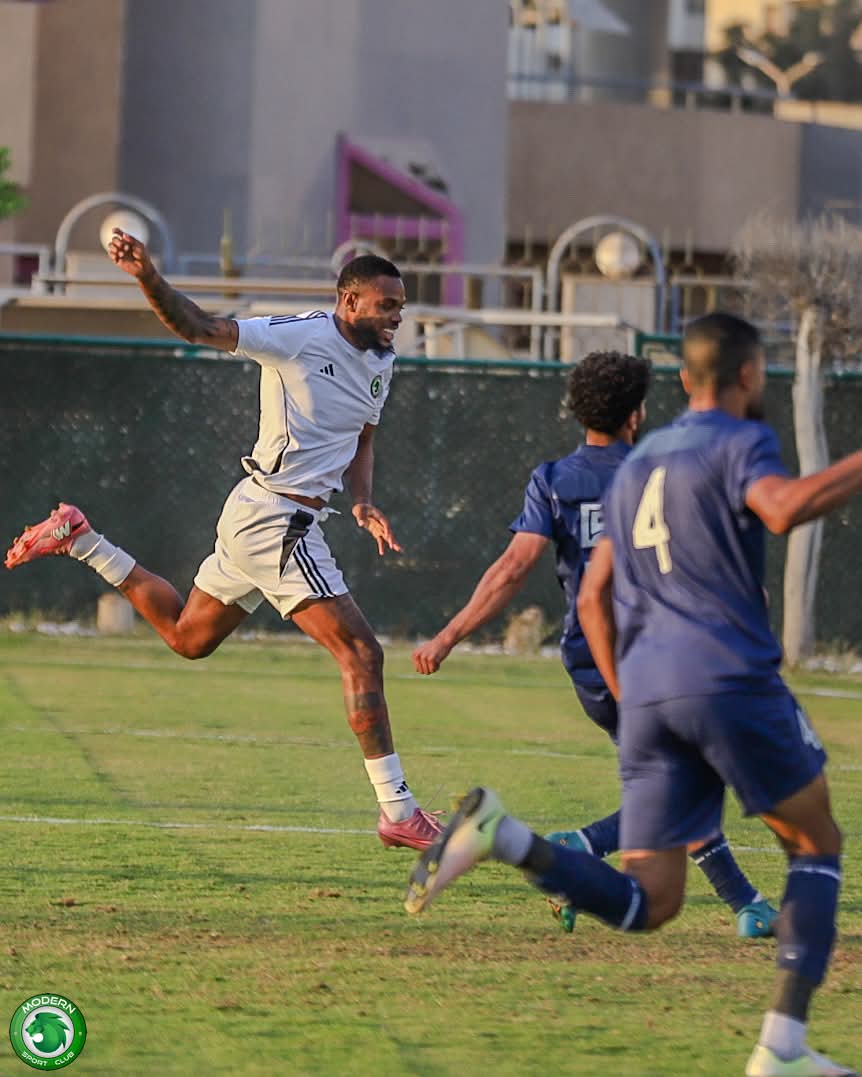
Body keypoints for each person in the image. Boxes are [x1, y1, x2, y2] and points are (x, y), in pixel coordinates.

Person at [404, 314, 856, 1077]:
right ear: (749, 377)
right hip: (729, 675)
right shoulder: (736, 442)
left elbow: (590, 599)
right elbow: (781, 509)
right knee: (816, 844)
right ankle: (781, 1047)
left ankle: (505, 836)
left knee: (651, 899)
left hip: (646, 690)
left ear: (683, 378)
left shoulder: (641, 466)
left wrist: (637, 696)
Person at [5, 230, 442, 853]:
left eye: (400, 306)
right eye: (387, 305)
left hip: (268, 517)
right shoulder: (298, 336)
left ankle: (81, 539)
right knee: (362, 656)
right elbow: (199, 327)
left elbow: (363, 441)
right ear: (349, 302)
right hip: (275, 520)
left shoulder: (382, 360)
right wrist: (146, 275)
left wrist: (364, 501)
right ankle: (398, 811)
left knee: (188, 637)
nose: (398, 316)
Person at [413, 350, 776, 938]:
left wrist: (449, 635)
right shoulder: (665, 473)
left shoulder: (554, 480)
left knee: (681, 780)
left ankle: (744, 904)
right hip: (663, 657)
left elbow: (512, 567)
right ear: (636, 414)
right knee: (687, 781)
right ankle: (577, 849)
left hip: (589, 660)